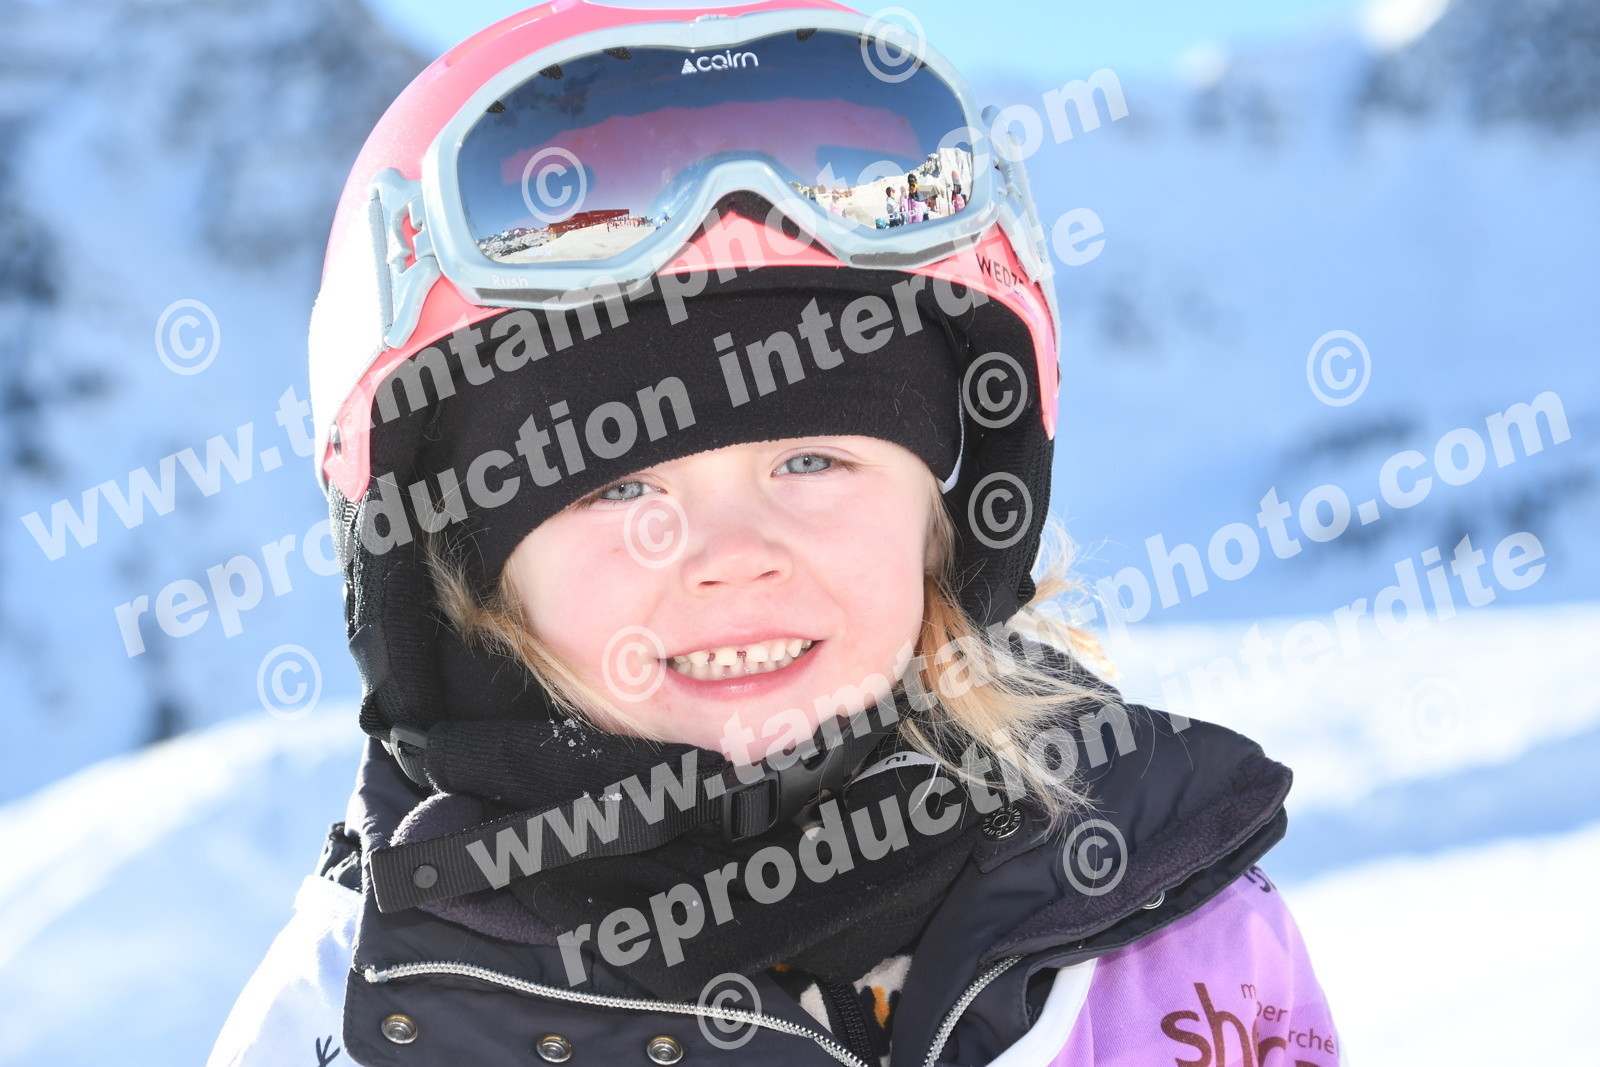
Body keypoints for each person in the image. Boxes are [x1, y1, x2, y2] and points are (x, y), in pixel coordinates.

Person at [207, 3, 1340, 1065]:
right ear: (469, 586)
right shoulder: (361, 1008)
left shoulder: (1163, 928)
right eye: (620, 489)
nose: (732, 556)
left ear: (942, 529)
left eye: (811, 463)